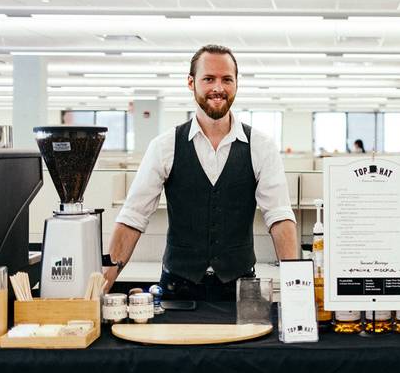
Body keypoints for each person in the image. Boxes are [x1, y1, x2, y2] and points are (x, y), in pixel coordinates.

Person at [104, 44, 299, 300]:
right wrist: (101, 286)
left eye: (227, 79)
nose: (218, 88)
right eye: (208, 79)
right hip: (178, 288)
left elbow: (280, 217)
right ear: (190, 82)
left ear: (236, 84)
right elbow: (132, 217)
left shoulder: (261, 147)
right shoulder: (164, 146)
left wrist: (298, 289)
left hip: (240, 291)